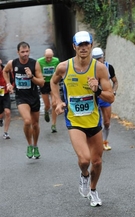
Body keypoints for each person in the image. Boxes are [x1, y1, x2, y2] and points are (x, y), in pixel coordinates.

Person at [50, 31, 114, 207]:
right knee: (85, 160)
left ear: (91, 45)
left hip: (93, 120)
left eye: (87, 44)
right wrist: (58, 101)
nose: (83, 48)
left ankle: (93, 190)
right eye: (80, 45)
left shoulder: (99, 68)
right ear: (74, 47)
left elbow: (110, 97)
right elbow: (53, 82)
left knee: (98, 161)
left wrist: (98, 90)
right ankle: (84, 174)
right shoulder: (64, 67)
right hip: (74, 120)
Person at [3, 42, 45, 158]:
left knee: (35, 124)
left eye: (27, 51)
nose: (25, 54)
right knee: (27, 121)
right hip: (21, 97)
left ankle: (35, 146)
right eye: (22, 52)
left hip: (33, 96)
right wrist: (8, 84)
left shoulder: (34, 64)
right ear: (18, 52)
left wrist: (31, 76)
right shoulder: (13, 63)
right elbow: (5, 71)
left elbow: (41, 83)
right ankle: (29, 144)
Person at [91, 47, 119, 150]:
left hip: (105, 97)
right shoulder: (89, 68)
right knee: (95, 122)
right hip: (93, 98)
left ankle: (105, 141)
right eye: (95, 59)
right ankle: (96, 143)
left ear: (103, 57)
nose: (98, 61)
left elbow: (115, 81)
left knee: (106, 122)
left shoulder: (109, 67)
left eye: (100, 58)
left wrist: (113, 91)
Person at [37, 48, 60, 133]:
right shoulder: (39, 61)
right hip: (44, 84)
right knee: (47, 105)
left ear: (53, 56)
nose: (49, 59)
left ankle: (53, 124)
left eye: (50, 57)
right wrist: (39, 78)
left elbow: (58, 71)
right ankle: (46, 111)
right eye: (47, 57)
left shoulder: (56, 61)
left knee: (54, 104)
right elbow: (37, 71)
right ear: (44, 56)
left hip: (53, 82)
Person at [0, 59, 11, 139]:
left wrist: (11, 86)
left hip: (5, 93)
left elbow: (12, 79)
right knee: (0, 114)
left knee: (7, 112)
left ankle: (6, 132)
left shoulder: (6, 70)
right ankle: (0, 119)